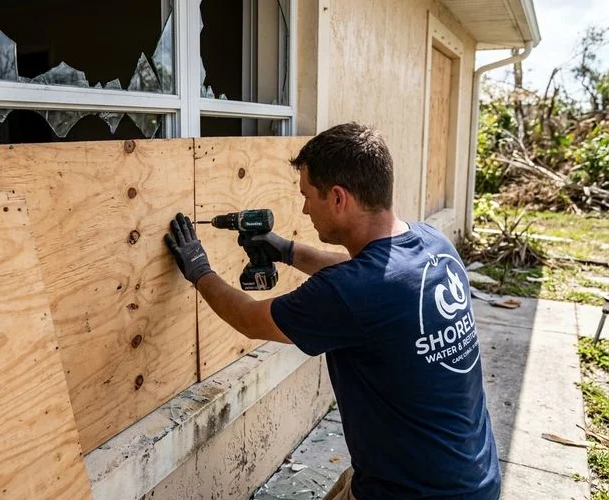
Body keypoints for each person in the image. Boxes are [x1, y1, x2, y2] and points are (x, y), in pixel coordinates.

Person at [164, 123, 500, 500]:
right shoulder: (431, 243)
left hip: (414, 491)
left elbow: (249, 318)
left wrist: (199, 271)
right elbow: (364, 277)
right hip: (470, 473)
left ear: (339, 199)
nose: (305, 208)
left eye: (308, 196)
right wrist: (287, 250)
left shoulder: (349, 293)